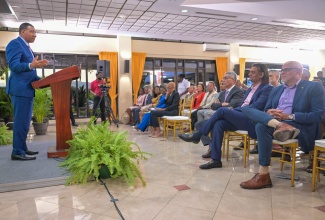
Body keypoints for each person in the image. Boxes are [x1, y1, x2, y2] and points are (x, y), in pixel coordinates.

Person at [239, 61, 325, 189]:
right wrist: (269, 112)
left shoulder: (313, 87)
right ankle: (278, 125)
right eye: (282, 70)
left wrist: (289, 116)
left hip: (298, 124)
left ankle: (263, 174)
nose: (282, 72)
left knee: (260, 126)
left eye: (286, 69)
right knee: (245, 109)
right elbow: (266, 109)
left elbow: (318, 115)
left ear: (299, 72)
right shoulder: (277, 89)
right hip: (276, 121)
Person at [178, 63, 273, 167]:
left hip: (252, 120)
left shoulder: (267, 88)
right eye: (250, 71)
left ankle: (198, 134)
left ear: (261, 75)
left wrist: (235, 110)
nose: (249, 74)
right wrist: (235, 110)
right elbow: (240, 105)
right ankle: (216, 160)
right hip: (241, 116)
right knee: (219, 123)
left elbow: (257, 106)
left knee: (222, 110)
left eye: (253, 72)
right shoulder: (250, 89)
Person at [6, 23, 48, 160]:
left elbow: (28, 72)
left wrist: (41, 80)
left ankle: (22, 148)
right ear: (22, 31)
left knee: (25, 122)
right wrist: (31, 65)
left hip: (27, 89)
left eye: (35, 32)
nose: (34, 34)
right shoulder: (15, 44)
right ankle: (17, 152)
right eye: (32, 31)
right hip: (20, 90)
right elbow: (14, 66)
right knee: (21, 122)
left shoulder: (27, 47)